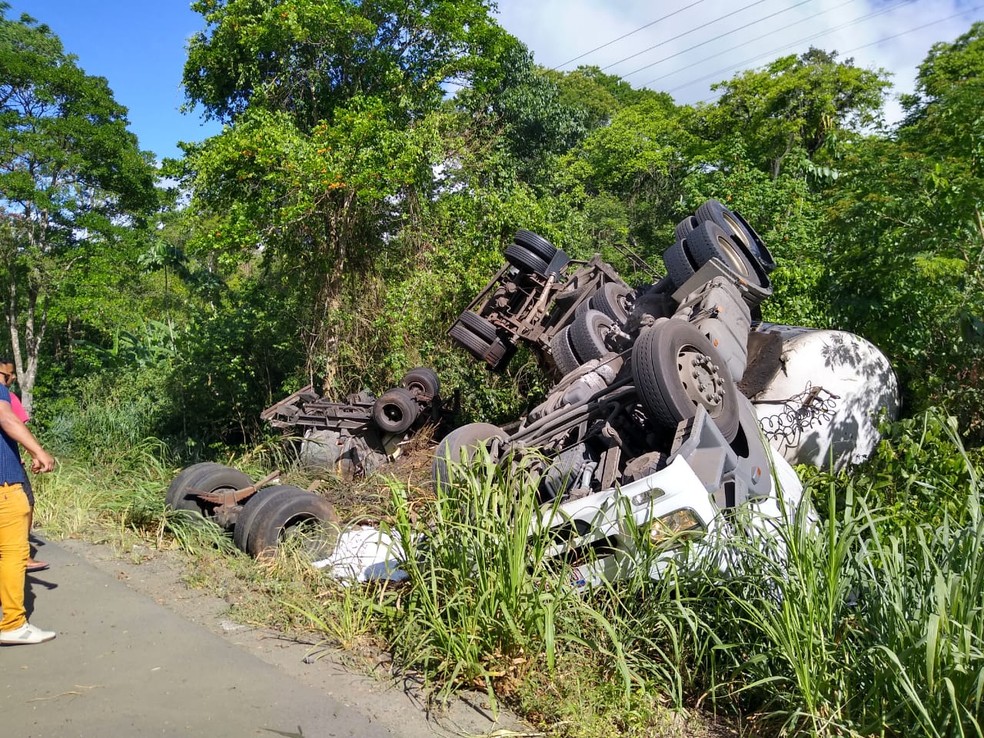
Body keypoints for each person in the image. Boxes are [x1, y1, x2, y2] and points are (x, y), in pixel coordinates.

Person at [0, 368, 56, 644]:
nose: (6, 381)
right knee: (13, 553)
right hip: (4, 485)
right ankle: (13, 623)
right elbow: (6, 417)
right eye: (5, 376)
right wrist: (38, 450)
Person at [0, 360, 46, 572]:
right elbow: (13, 424)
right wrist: (37, 452)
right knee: (25, 506)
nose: (11, 380)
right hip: (8, 470)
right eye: (8, 376)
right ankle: (22, 555)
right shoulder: (5, 396)